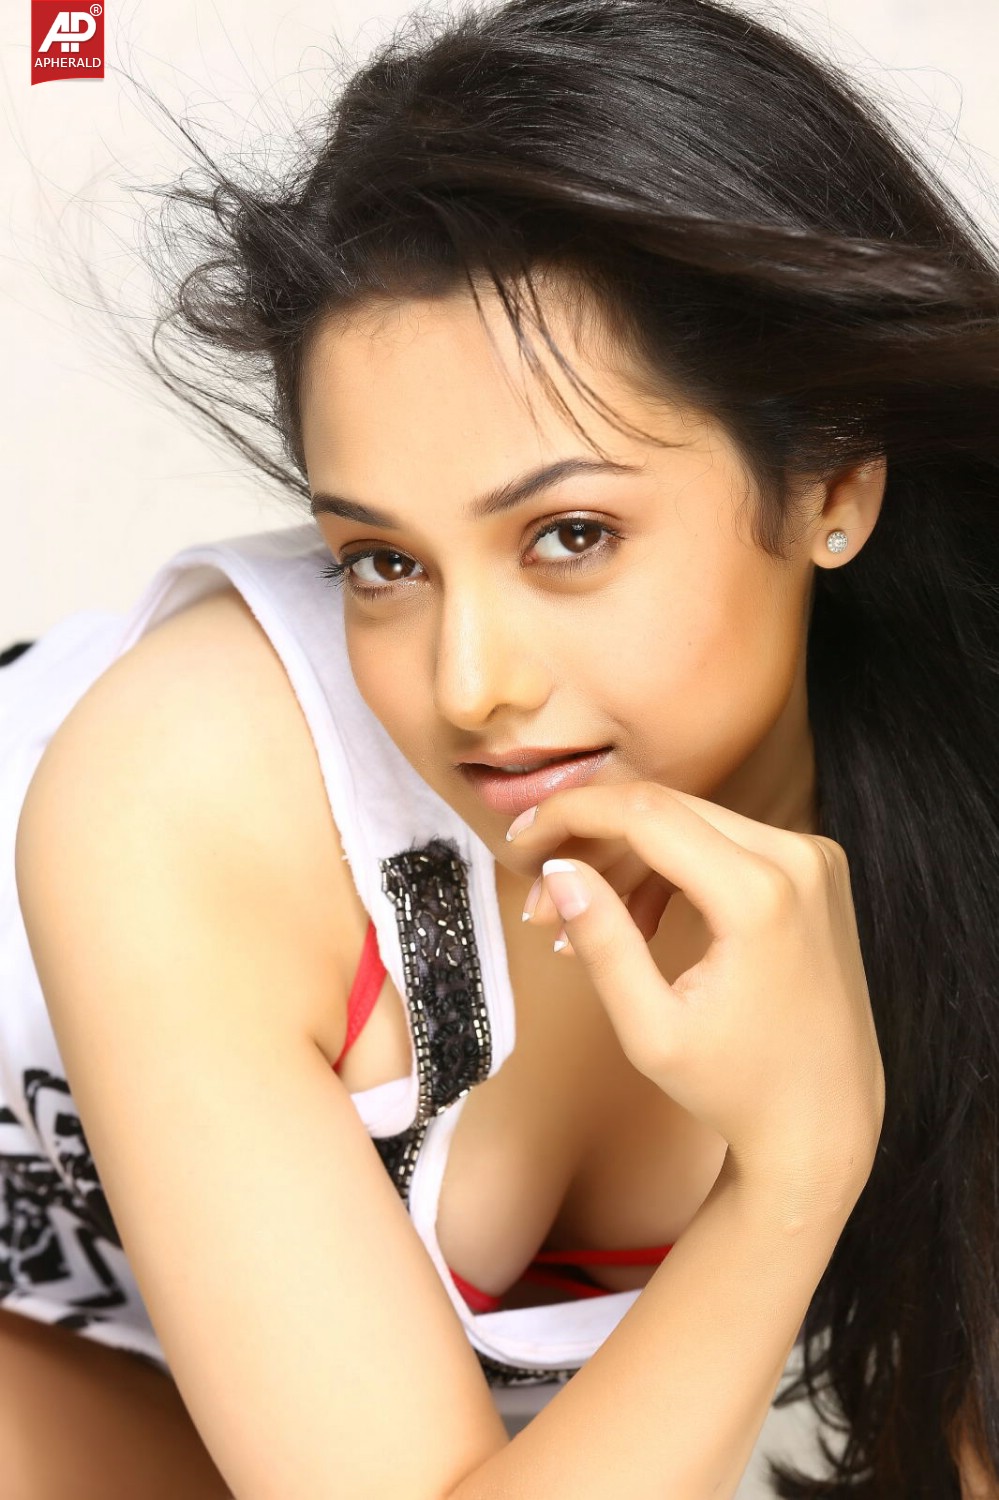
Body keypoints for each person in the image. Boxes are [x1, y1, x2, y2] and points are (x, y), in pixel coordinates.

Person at [2, 0, 996, 1493]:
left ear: (833, 488)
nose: (469, 686)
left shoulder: (958, 796)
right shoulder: (186, 795)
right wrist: (793, 1171)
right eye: (382, 562)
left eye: (570, 535)